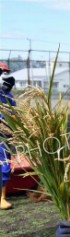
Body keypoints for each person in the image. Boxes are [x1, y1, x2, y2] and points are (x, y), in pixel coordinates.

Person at [0, 74, 16, 210]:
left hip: (3, 135)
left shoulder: (8, 97)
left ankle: (2, 197)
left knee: (4, 162)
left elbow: (14, 115)